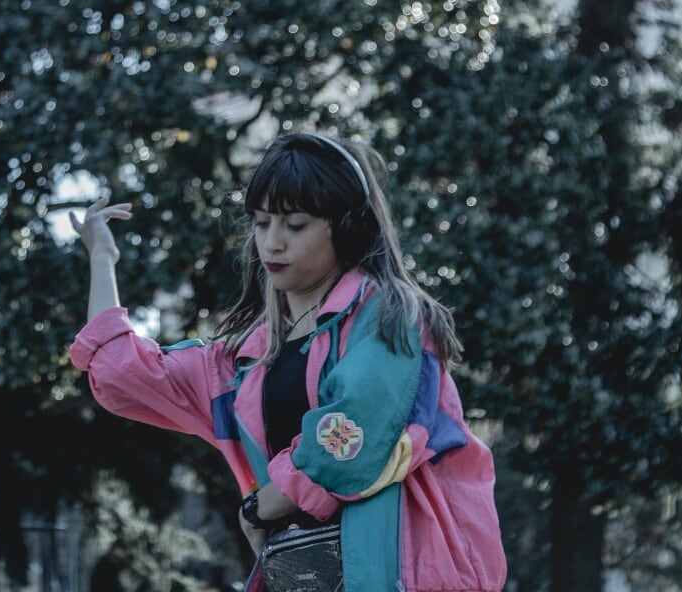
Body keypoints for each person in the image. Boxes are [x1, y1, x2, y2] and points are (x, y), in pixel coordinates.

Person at [69, 132, 508, 592]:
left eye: (295, 225)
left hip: (403, 574)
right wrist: (102, 258)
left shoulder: (389, 317)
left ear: (346, 227)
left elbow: (351, 440)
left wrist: (260, 507)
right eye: (261, 223)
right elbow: (119, 371)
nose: (272, 243)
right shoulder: (242, 363)